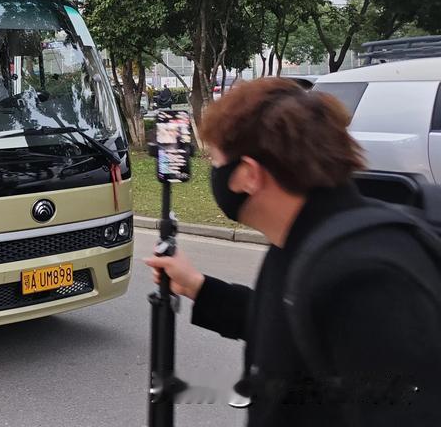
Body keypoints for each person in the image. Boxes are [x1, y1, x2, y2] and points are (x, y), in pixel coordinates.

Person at [145, 78, 441, 425]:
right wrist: (198, 287)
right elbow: (291, 322)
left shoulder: (365, 276)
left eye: (215, 160)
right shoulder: (302, 237)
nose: (213, 173)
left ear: (248, 175)